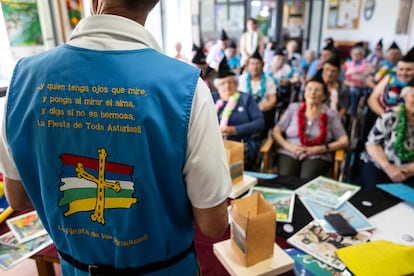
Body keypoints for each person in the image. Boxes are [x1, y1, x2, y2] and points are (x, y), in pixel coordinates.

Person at [0, 1, 232, 275]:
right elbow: (213, 223)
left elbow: (18, 199)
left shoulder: (23, 79)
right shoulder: (187, 89)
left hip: (76, 268)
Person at [272, 75, 349, 180]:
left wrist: (322, 148)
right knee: (286, 178)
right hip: (291, 150)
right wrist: (287, 145)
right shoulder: (293, 108)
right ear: (304, 92)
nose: (312, 93)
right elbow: (276, 131)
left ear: (324, 96)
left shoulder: (331, 114)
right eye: (309, 89)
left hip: (317, 154)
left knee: (307, 179)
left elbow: (344, 140)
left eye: (317, 90)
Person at [359, 77, 414, 190]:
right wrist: (388, 167)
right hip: (380, 164)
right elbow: (372, 144)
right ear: (405, 96)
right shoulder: (391, 115)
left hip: (410, 169)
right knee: (374, 195)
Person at [213, 57, 265, 170]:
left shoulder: (246, 99)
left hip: (241, 143)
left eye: (230, 82)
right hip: (213, 144)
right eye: (223, 83)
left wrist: (234, 130)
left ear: (236, 84)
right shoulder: (212, 99)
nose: (227, 86)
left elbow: (260, 123)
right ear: (217, 87)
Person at [238, 49, 277, 138]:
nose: (255, 67)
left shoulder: (268, 80)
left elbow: (273, 100)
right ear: (248, 66)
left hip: (262, 111)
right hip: (244, 111)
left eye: (257, 63)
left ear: (262, 65)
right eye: (252, 63)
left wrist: (259, 108)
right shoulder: (241, 79)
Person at [367, 46, 414, 116]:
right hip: (383, 116)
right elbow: (372, 100)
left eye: (409, 70)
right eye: (401, 69)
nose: (404, 73)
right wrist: (385, 116)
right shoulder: (389, 77)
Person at [343, 46, 372, 116]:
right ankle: (353, 112)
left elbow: (370, 77)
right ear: (351, 55)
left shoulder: (368, 65)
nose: (356, 55)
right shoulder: (347, 64)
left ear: (362, 55)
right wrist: (351, 83)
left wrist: (364, 83)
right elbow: (343, 79)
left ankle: (363, 113)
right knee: (353, 90)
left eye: (358, 54)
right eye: (354, 54)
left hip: (365, 86)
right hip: (351, 86)